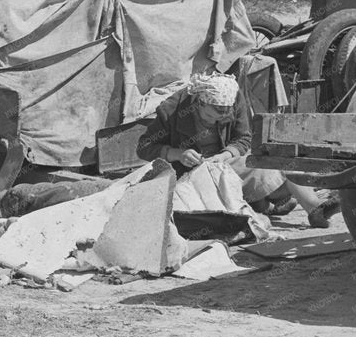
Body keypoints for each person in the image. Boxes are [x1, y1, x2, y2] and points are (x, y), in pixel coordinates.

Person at [137, 72, 340, 228]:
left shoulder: (233, 99)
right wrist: (177, 154)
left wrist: (224, 155)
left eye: (221, 118)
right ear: (199, 103)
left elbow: (243, 138)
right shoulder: (171, 110)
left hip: (225, 163)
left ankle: (314, 208)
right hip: (192, 175)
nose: (215, 122)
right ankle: (267, 205)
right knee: (264, 178)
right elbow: (144, 147)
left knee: (279, 161)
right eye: (210, 117)